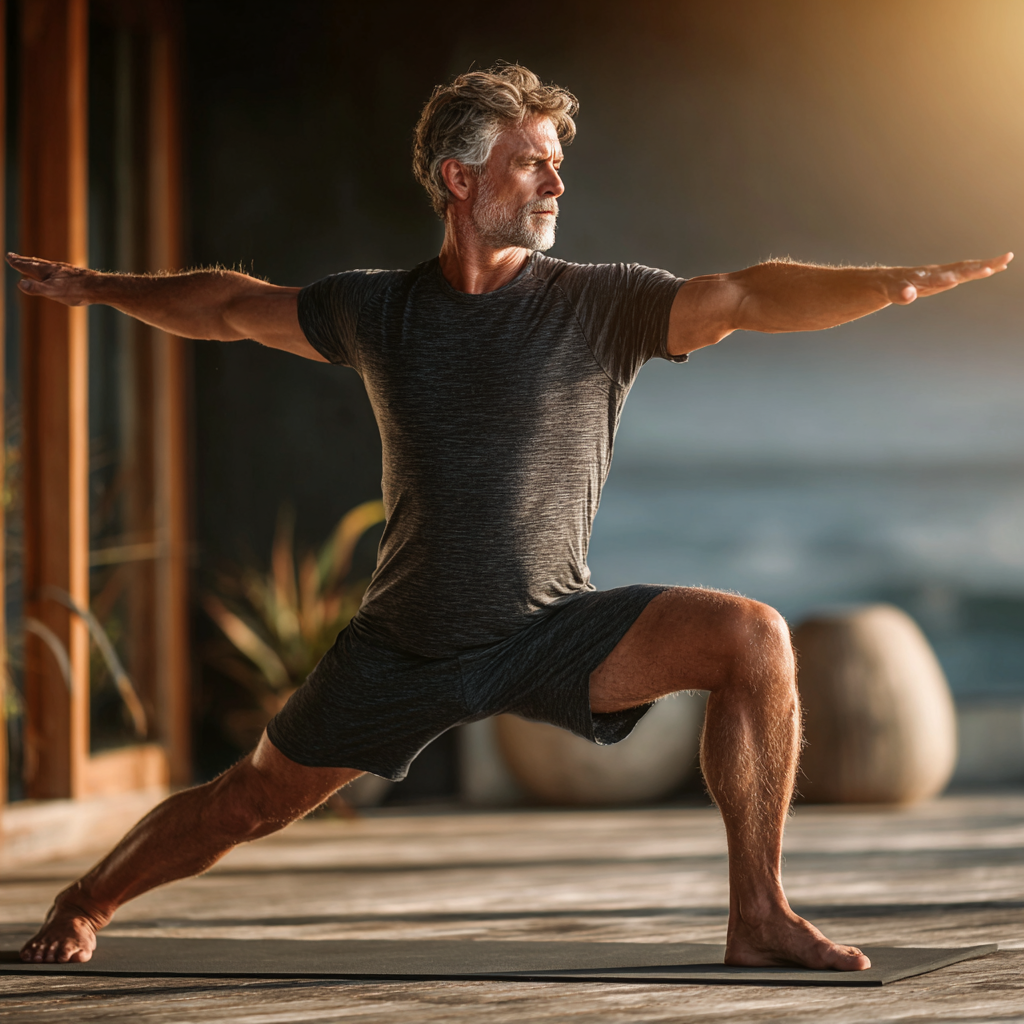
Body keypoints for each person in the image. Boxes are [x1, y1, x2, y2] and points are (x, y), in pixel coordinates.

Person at [8, 64, 1010, 969]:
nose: (556, 185)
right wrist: (96, 287)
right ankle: (86, 899)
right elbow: (229, 304)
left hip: (549, 629)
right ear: (459, 177)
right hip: (406, 641)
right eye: (533, 163)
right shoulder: (378, 311)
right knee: (251, 800)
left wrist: (885, 283)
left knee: (751, 637)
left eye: (558, 163)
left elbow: (743, 294)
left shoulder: (602, 305)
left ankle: (759, 914)